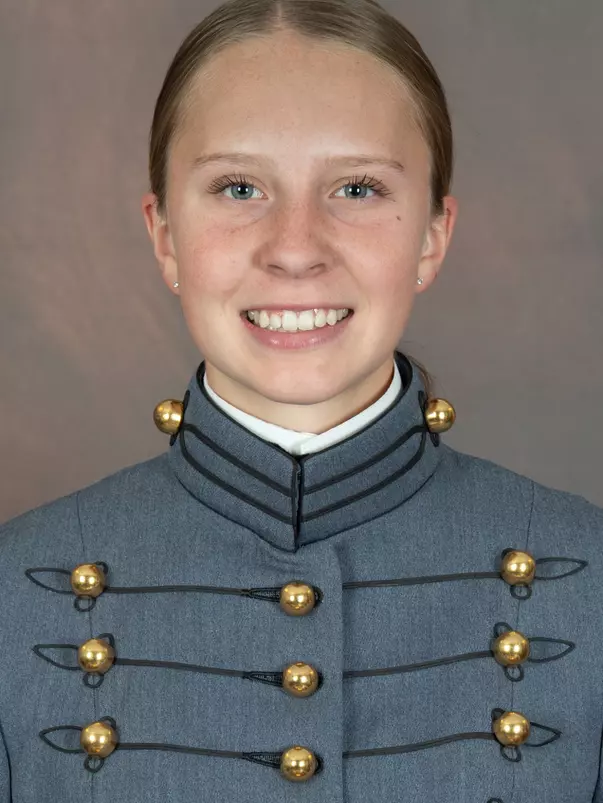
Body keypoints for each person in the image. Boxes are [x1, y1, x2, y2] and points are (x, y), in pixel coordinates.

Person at [1, 0, 602, 800]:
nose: (294, 249)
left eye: (355, 187)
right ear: (165, 236)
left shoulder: (590, 576)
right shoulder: (13, 591)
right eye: (238, 186)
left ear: (431, 236)